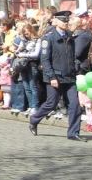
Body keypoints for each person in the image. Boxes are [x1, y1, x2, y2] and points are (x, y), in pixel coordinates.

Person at [29, 11, 86, 142]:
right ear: (56, 22)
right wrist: (52, 77)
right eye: (63, 21)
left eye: (67, 21)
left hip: (69, 76)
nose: (66, 23)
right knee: (51, 103)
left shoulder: (70, 36)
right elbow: (45, 60)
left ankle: (73, 133)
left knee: (75, 105)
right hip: (54, 76)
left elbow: (72, 55)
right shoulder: (48, 38)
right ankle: (34, 119)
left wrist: (76, 66)